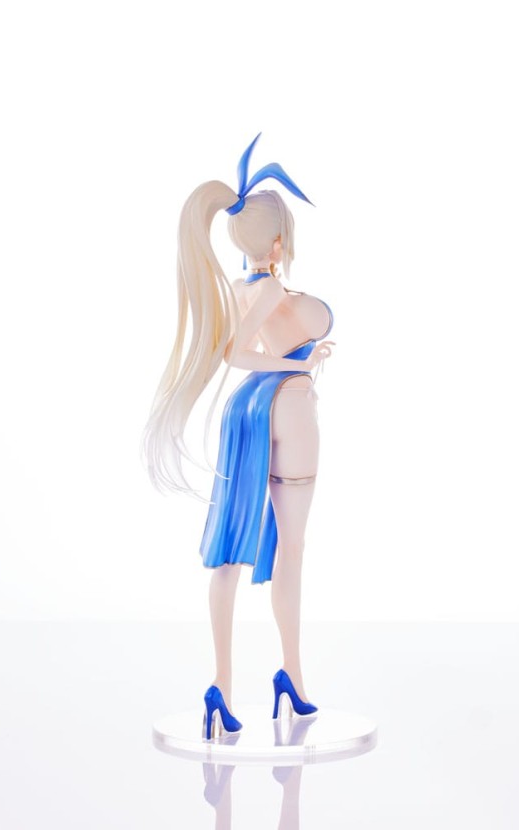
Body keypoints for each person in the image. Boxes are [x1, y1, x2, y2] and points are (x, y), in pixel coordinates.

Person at [143, 134, 335, 741]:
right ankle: (292, 677)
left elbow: (239, 349)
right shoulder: (273, 287)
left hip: (245, 412)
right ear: (277, 243)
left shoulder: (235, 286)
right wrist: (301, 363)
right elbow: (236, 352)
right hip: (288, 406)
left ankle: (221, 686)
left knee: (231, 546)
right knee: (291, 547)